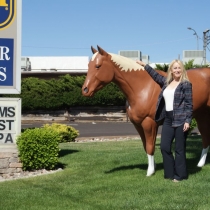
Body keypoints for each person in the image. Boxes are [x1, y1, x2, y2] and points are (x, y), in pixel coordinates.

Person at [136, 59, 193, 182]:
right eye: (175, 68)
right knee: (164, 147)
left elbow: (189, 104)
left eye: (179, 68)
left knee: (179, 149)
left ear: (182, 69)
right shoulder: (167, 83)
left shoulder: (186, 84)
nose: (177, 70)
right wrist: (145, 65)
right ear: (171, 70)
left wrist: (188, 121)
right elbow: (156, 76)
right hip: (168, 119)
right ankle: (170, 173)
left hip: (181, 119)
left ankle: (180, 175)